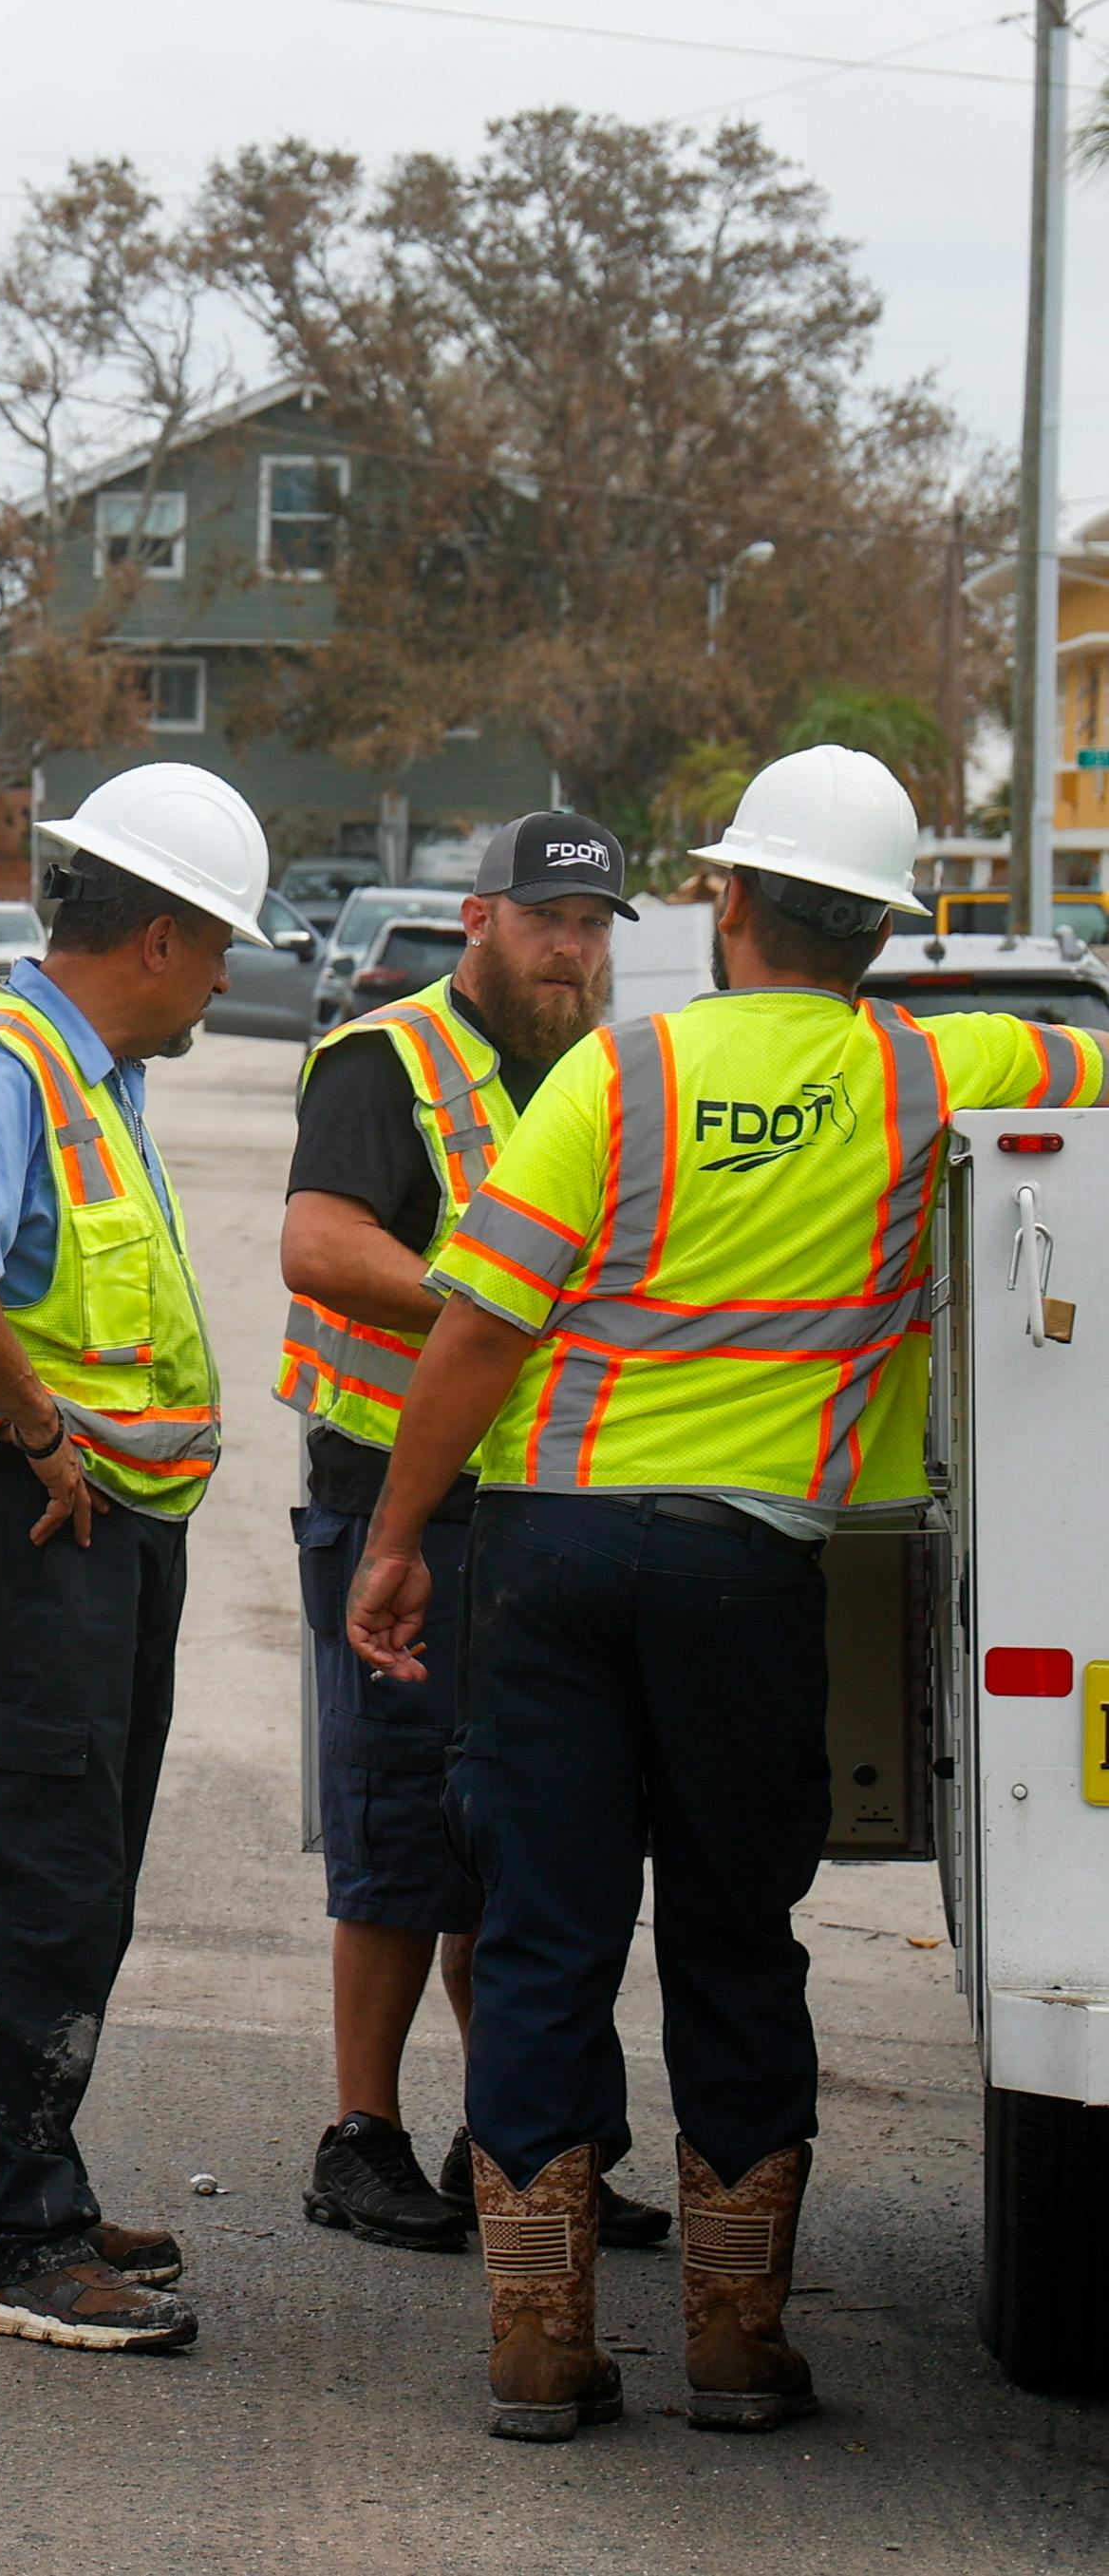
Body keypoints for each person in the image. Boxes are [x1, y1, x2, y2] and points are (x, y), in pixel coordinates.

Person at [347, 746, 1109, 2440]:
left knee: (543, 1930)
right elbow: (1090, 1065)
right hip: (750, 1572)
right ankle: (735, 2336)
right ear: (887, 931)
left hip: (550, 1555)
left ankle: (539, 2340)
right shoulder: (935, 1073)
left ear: (727, 896)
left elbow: (477, 1321)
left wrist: (399, 1534)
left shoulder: (619, 1072)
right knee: (731, 1939)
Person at [0, 758, 273, 2355]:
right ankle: (1, 2235)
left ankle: (17, 2174)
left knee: (72, 1874)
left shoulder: (90, 1070)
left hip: (98, 1542)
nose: (230, 976)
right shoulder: (10, 1068)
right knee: (29, 1875)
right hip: (28, 1534)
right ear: (159, 938)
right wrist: (35, 1425)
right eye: (221, 943)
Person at [273, 813, 667, 2257]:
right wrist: (472, 1295)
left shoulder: (613, 1075)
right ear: (480, 921)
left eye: (594, 924)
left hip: (552, 1498)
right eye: (549, 919)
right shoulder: (389, 1059)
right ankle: (358, 2135)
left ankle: (523, 2136)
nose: (575, 948)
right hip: (397, 1499)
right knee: (398, 1828)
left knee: (530, 1834)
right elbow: (316, 1243)